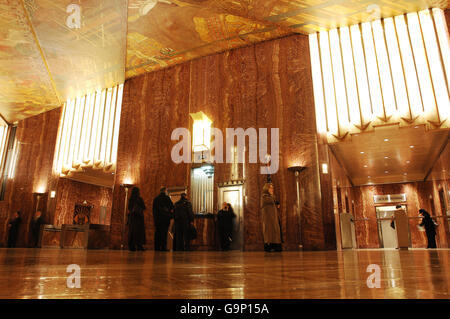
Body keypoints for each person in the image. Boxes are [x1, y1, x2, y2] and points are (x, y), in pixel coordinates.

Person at [261, 183, 282, 252]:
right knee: (269, 233)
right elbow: (271, 200)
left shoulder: (272, 197)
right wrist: (275, 201)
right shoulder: (264, 197)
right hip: (268, 220)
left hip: (274, 219)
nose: (272, 189)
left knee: (275, 232)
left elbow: (274, 201)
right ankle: (269, 247)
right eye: (270, 188)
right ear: (266, 189)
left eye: (272, 188)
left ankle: (276, 246)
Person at [152, 187, 174, 251]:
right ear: (165, 191)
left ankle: (157, 247)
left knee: (157, 233)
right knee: (164, 233)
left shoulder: (156, 199)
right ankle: (163, 247)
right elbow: (171, 207)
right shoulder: (167, 198)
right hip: (165, 219)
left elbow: (154, 210)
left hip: (158, 219)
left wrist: (155, 218)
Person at [127, 187, 146, 251]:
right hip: (139, 218)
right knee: (139, 232)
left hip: (133, 218)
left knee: (132, 232)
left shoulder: (131, 199)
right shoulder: (139, 199)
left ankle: (132, 246)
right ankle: (139, 245)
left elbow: (129, 208)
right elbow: (144, 207)